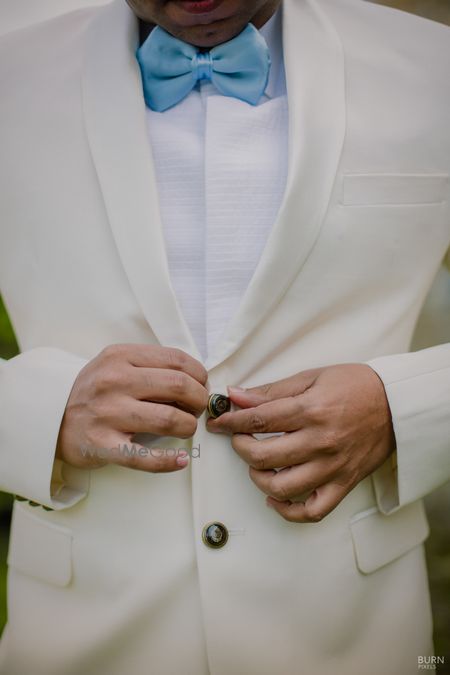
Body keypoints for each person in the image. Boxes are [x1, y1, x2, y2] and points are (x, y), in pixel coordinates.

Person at [0, 0, 449, 673]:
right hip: (81, 637)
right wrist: (39, 413)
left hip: (354, 635)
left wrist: (402, 409)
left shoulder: (432, 69)